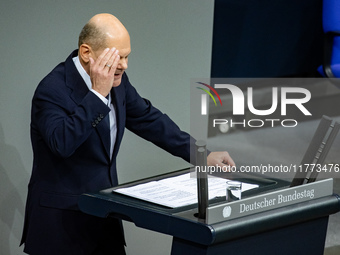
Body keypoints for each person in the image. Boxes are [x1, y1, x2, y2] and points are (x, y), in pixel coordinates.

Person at [20, 13, 235, 255]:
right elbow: (62, 143)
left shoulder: (118, 81)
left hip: (104, 221)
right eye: (116, 57)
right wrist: (97, 96)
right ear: (86, 53)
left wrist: (200, 155)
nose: (124, 65)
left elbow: (149, 119)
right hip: (61, 229)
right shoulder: (51, 90)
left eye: (126, 56)